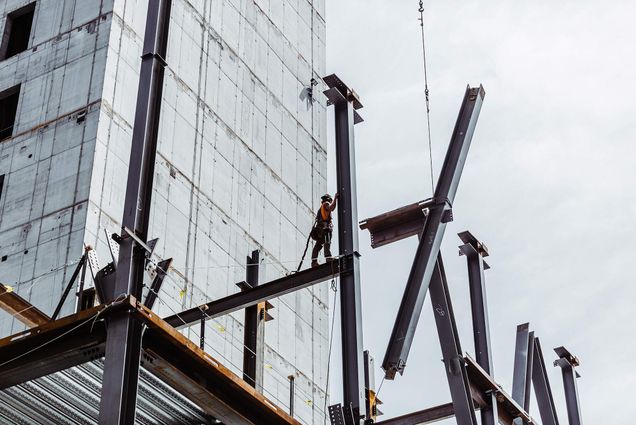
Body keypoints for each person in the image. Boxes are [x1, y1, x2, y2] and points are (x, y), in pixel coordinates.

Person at [311, 193, 338, 267]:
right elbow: (332, 208)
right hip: (325, 229)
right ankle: (328, 258)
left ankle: (314, 262)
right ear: (328, 199)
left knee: (318, 245)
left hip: (319, 230)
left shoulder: (320, 209)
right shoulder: (326, 204)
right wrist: (336, 198)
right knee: (327, 242)